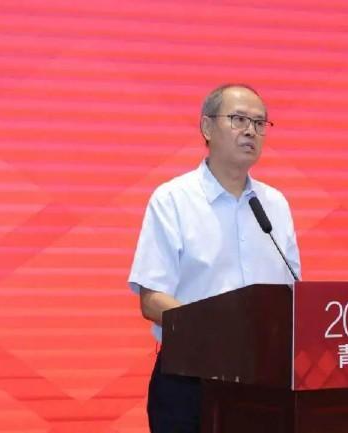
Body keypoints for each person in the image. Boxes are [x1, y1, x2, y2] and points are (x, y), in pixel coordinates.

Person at [128, 84, 301, 433]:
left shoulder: (275, 205)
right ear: (207, 127)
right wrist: (221, 331)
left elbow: (293, 294)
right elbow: (152, 299)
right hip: (190, 378)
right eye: (239, 119)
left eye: (260, 123)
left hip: (264, 380)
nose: (251, 131)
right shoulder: (173, 199)